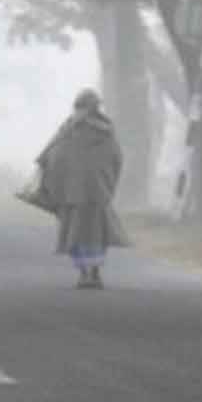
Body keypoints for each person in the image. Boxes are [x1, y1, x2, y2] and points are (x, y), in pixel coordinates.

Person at [23, 88, 131, 289]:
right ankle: (94, 273)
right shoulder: (107, 131)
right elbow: (116, 159)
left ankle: (85, 274)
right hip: (98, 193)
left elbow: (52, 156)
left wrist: (54, 181)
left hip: (74, 194)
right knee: (97, 235)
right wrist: (107, 183)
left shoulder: (70, 129)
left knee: (77, 235)